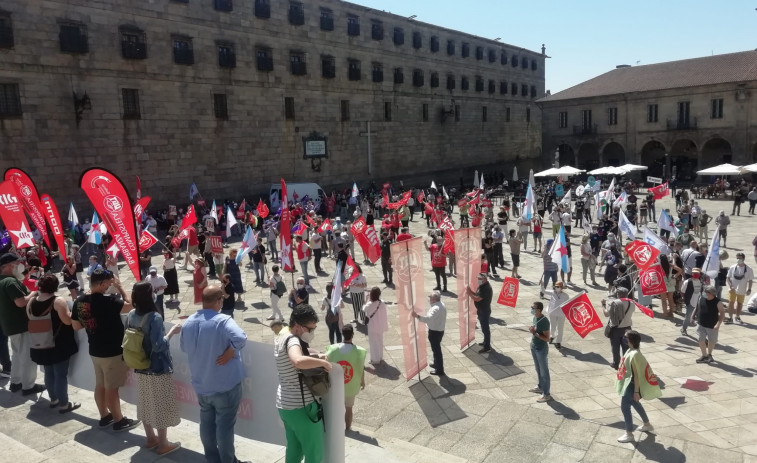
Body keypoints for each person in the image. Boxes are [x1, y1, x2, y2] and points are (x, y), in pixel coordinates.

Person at [181, 285, 249, 463]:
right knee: (225, 428)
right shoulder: (222, 320)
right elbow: (241, 338)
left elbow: (184, 347)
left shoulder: (188, 322)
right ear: (219, 301)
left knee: (207, 425)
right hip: (224, 385)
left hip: (201, 384)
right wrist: (230, 351)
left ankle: (212, 459)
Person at [71, 268, 141, 431]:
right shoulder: (108, 301)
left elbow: (75, 326)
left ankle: (104, 416)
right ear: (103, 284)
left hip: (95, 350)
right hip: (112, 352)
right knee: (111, 388)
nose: (111, 286)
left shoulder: (80, 301)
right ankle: (119, 420)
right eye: (109, 283)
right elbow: (131, 306)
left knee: (100, 385)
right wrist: (121, 287)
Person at [127, 282, 182, 457]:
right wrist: (172, 332)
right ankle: (163, 444)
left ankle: (150, 438)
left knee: (144, 402)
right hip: (157, 367)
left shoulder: (131, 314)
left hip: (139, 364)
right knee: (160, 405)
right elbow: (159, 346)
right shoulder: (154, 317)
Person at [275, 305, 332, 463]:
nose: (312, 333)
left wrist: (315, 354)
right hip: (301, 407)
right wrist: (324, 363)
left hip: (285, 405)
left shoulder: (283, 336)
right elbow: (297, 360)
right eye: (310, 329)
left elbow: (301, 352)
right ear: (298, 326)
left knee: (294, 449)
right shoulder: (293, 340)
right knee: (314, 453)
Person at [28, 274, 79, 412]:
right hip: (58, 344)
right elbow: (68, 321)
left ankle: (54, 399)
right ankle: (64, 404)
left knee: (49, 373)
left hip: (40, 343)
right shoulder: (58, 301)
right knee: (60, 375)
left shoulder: (31, 302)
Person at [0, 253, 45, 394]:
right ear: (8, 266)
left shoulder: (4, 281)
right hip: (21, 325)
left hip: (11, 325)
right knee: (28, 356)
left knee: (18, 355)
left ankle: (16, 383)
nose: (20, 265)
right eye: (17, 263)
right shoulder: (10, 282)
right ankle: (28, 386)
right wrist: (34, 293)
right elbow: (21, 302)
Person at [615, 330, 658, 443]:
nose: (624, 339)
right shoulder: (634, 351)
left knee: (625, 408)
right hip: (631, 384)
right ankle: (647, 424)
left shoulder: (634, 354)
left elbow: (637, 375)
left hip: (631, 385)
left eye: (626, 337)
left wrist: (636, 391)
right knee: (635, 403)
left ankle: (629, 433)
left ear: (631, 341)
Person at [325, 324, 366, 432]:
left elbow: (326, 364)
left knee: (336, 407)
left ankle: (336, 428)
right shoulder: (358, 352)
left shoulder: (332, 349)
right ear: (352, 334)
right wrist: (362, 381)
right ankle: (348, 428)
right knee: (349, 408)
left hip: (336, 385)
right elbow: (360, 369)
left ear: (342, 334)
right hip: (351, 385)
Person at [412, 290, 446, 375]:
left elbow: (428, 319)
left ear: (434, 299)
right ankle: (436, 364)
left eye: (430, 297)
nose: (429, 299)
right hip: (440, 330)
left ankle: (439, 370)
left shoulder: (435, 308)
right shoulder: (441, 304)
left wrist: (417, 316)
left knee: (436, 350)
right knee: (436, 349)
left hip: (434, 332)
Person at [691, 285, 726, 363]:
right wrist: (692, 316)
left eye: (706, 292)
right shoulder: (701, 298)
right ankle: (704, 355)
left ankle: (709, 354)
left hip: (712, 325)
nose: (704, 293)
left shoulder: (718, 302)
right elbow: (696, 308)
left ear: (711, 293)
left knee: (711, 341)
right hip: (701, 323)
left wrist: (718, 324)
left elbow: (722, 314)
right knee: (700, 339)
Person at [602, 286, 635, 370]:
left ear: (618, 294)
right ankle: (626, 364)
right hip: (627, 328)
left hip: (616, 329)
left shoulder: (614, 303)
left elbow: (606, 314)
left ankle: (616, 363)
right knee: (626, 347)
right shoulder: (632, 303)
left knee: (615, 347)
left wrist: (603, 305)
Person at [528, 301, 552, 403]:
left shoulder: (544, 321)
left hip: (541, 349)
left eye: (533, 308)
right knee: (538, 369)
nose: (531, 309)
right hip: (534, 346)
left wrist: (535, 333)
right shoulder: (536, 318)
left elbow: (547, 338)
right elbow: (536, 330)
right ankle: (540, 386)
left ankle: (546, 394)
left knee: (544, 371)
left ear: (538, 310)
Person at [466, 273, 493, 353]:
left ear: (485, 279)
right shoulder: (482, 286)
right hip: (481, 309)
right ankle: (485, 341)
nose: (478, 280)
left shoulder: (486, 288)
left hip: (484, 310)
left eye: (480, 279)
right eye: (478, 278)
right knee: (484, 327)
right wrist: (470, 291)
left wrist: (469, 294)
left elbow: (477, 299)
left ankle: (487, 347)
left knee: (485, 328)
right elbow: (477, 294)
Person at [363, 287, 389, 364]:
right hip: (380, 325)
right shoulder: (382, 303)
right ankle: (380, 357)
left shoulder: (369, 304)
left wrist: (367, 299)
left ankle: (375, 359)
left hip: (372, 326)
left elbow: (364, 309)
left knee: (373, 343)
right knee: (380, 342)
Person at [726, 252, 753, 324]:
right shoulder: (732, 267)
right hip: (733, 289)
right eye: (737, 258)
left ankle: (737, 316)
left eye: (739, 258)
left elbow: (750, 280)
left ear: (743, 259)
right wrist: (730, 285)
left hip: (742, 289)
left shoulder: (748, 269)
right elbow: (728, 277)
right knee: (731, 303)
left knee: (740, 303)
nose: (738, 259)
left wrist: (749, 289)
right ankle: (730, 317)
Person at [542, 281, 569, 349]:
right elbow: (544, 291)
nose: (556, 288)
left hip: (561, 314)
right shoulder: (552, 293)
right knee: (552, 327)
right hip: (552, 312)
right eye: (556, 287)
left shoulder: (565, 295)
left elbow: (568, 303)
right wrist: (542, 284)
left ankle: (558, 342)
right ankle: (552, 337)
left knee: (560, 328)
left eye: (558, 287)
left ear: (561, 288)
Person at [680, 268, 704, 336]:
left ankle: (700, 331)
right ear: (692, 274)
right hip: (690, 302)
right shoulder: (687, 282)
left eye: (697, 274)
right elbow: (682, 291)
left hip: (698, 303)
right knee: (688, 317)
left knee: (699, 317)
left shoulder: (701, 282)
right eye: (694, 273)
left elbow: (702, 291)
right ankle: (684, 329)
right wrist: (685, 299)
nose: (696, 275)